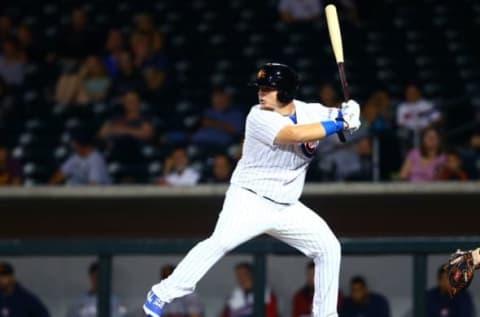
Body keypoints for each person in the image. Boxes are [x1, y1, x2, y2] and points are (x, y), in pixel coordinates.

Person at [143, 62, 361, 317]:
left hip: (286, 206)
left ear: (286, 91)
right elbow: (294, 134)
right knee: (220, 243)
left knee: (329, 247)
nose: (261, 93)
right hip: (250, 200)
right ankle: (162, 293)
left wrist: (351, 114)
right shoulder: (258, 115)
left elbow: (340, 117)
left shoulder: (310, 111)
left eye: (268, 88)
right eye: (261, 88)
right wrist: (340, 124)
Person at [98, 91, 154, 161]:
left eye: (133, 100)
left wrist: (124, 130)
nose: (131, 103)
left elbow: (147, 134)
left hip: (137, 151)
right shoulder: (116, 118)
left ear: (139, 102)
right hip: (116, 150)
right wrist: (113, 131)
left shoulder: (144, 118)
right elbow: (101, 134)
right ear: (124, 103)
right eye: (128, 101)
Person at [396, 83, 442, 148]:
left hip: (425, 132)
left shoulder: (426, 105)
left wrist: (427, 128)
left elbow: (439, 119)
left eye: (413, 92)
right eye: (409, 93)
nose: (411, 95)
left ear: (419, 93)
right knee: (402, 135)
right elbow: (400, 123)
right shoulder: (402, 107)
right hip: (410, 134)